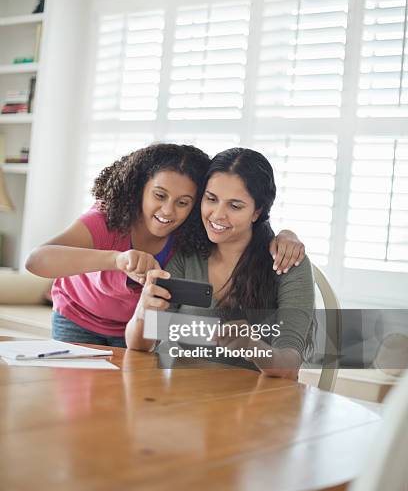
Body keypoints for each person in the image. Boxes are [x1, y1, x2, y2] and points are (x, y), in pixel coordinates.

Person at [26, 144, 305, 348]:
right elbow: (36, 260)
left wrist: (286, 234)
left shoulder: (190, 233)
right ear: (139, 189)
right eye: (159, 195)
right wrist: (117, 260)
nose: (168, 210)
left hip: (132, 330)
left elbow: (240, 221)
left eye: (183, 202)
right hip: (79, 317)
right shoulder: (109, 217)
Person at [127, 147, 315, 379]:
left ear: (257, 211)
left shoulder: (287, 263)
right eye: (211, 199)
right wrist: (143, 311)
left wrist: (253, 347)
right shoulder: (187, 255)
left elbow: (289, 366)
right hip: (182, 400)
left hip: (253, 404)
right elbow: (140, 346)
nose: (217, 215)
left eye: (235, 206)